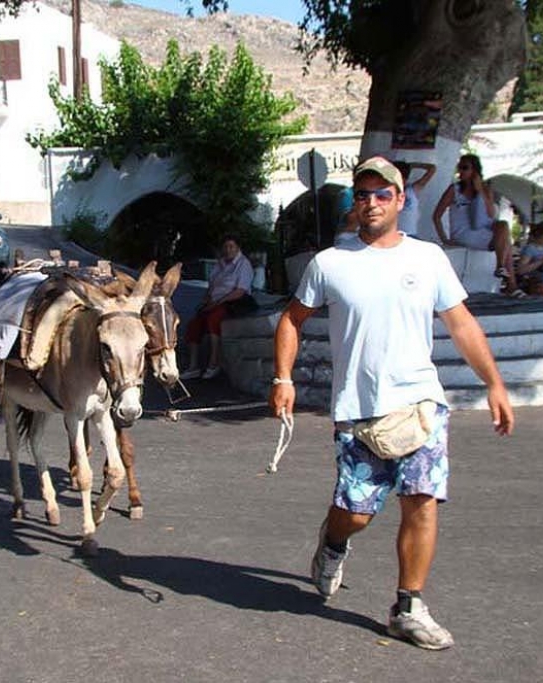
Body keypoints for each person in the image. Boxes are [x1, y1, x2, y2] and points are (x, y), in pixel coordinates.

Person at [270, 156, 514, 651]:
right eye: (363, 194)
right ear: (354, 204)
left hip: (421, 403)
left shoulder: (427, 259)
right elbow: (291, 320)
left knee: (421, 502)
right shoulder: (331, 263)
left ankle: (409, 606)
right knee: (357, 513)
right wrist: (283, 378)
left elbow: (461, 322)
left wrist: (494, 382)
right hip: (358, 412)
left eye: (384, 194)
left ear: (402, 200)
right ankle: (333, 542)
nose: (373, 202)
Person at [432, 154, 524, 298]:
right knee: (505, 241)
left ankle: (501, 269)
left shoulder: (485, 190)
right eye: (459, 168)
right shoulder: (454, 190)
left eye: (465, 168)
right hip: (464, 233)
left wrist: (480, 191)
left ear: (474, 170)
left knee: (503, 226)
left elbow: (491, 214)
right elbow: (436, 215)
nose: (460, 172)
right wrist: (445, 239)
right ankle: (510, 283)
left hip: (482, 230)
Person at [180, 234, 255, 380]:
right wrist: (206, 301)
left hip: (232, 302)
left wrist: (218, 302)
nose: (228, 250)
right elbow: (211, 287)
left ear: (238, 248)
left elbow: (240, 291)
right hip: (214, 302)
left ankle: (214, 363)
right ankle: (193, 366)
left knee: (214, 319)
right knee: (194, 325)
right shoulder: (220, 264)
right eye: (226, 247)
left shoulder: (243, 264)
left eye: (231, 246)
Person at [392, 160, 436, 237]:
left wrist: (413, 165)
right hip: (391, 236)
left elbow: (432, 169)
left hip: (410, 235)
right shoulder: (385, 192)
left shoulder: (412, 189)